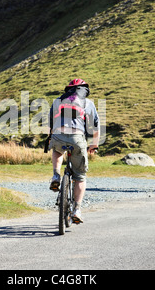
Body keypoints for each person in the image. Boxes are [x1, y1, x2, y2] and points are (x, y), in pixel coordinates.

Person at [48, 78, 100, 223]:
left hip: (58, 135)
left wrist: (52, 138)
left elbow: (50, 123)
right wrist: (93, 145)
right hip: (77, 138)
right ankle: (77, 210)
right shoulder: (88, 103)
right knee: (80, 177)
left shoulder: (57, 101)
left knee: (57, 151)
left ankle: (56, 176)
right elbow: (95, 126)